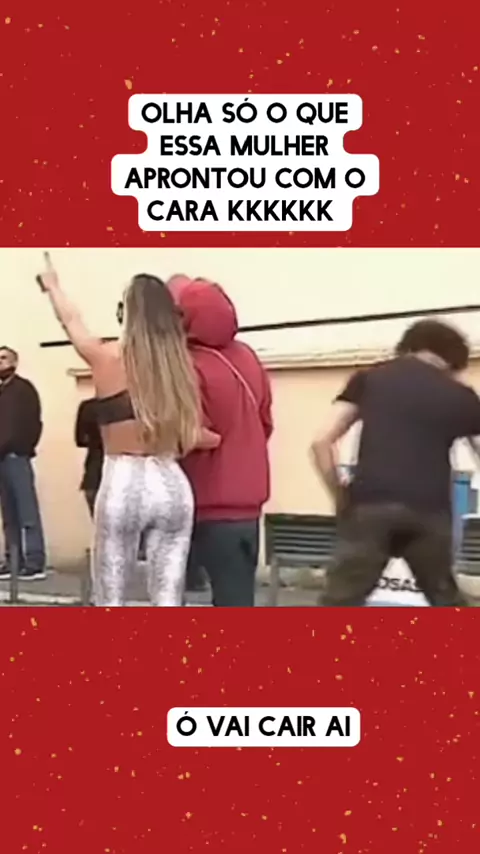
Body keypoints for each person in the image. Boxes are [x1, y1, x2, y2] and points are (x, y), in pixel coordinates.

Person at [37, 253, 219, 607]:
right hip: (171, 480)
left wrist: (53, 286)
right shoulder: (180, 366)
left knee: (111, 597)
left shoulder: (106, 358)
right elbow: (191, 432)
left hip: (123, 479)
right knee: (168, 597)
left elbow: (71, 320)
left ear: (128, 313)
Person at [310, 319, 480, 607]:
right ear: (452, 361)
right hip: (431, 511)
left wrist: (340, 496)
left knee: (338, 604)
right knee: (446, 601)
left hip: (370, 505)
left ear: (408, 347)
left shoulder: (370, 379)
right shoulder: (461, 395)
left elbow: (320, 442)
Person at [168, 275, 273, 607]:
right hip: (249, 503)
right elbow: (266, 422)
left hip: (204, 501)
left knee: (172, 597)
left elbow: (191, 435)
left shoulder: (187, 364)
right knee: (237, 600)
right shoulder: (248, 357)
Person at [0, 346, 46, 580]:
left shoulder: (24, 389)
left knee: (27, 512)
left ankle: (34, 561)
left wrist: (23, 446)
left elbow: (34, 422)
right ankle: (13, 561)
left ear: (14, 362)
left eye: (3, 358)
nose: (0, 362)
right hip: (0, 459)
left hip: (17, 456)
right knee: (9, 515)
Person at [75, 397, 103, 517]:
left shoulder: (88, 407)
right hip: (118, 471)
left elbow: (80, 439)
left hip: (93, 472)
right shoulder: (128, 404)